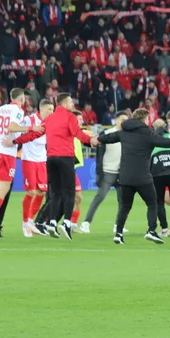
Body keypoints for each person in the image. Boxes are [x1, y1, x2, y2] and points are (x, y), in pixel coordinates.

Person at [98, 108, 170, 245]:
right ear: (145, 119)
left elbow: (106, 138)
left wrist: (95, 139)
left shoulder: (123, 132)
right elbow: (164, 142)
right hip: (143, 177)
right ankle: (151, 230)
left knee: (125, 206)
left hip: (125, 176)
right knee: (152, 202)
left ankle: (118, 234)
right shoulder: (148, 134)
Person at [0, 88, 41, 236]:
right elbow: (12, 126)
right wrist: (31, 127)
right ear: (22, 99)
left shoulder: (1, 109)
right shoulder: (17, 110)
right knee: (4, 188)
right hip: (7, 153)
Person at [43, 93, 97, 240]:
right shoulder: (69, 117)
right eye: (71, 103)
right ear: (64, 104)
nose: (73, 105)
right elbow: (77, 134)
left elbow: (37, 132)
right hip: (65, 159)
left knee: (56, 193)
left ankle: (52, 222)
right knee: (70, 193)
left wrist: (18, 139)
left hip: (51, 158)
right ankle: (66, 223)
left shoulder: (49, 119)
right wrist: (91, 141)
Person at [13, 99, 55, 237]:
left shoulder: (50, 122)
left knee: (42, 192)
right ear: (41, 109)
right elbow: (20, 133)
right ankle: (25, 222)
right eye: (49, 109)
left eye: (53, 109)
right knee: (31, 191)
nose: (52, 112)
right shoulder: (30, 120)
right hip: (29, 159)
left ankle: (30, 220)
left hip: (42, 160)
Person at [81, 110, 128, 234]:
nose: (125, 122)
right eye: (123, 119)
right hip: (108, 171)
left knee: (123, 201)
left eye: (126, 120)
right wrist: (99, 173)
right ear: (116, 120)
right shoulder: (107, 133)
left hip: (121, 172)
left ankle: (118, 226)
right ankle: (86, 223)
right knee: (99, 197)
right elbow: (99, 155)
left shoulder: (128, 135)